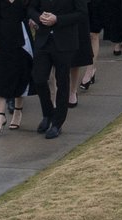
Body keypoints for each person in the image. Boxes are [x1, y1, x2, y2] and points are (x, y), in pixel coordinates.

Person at [27, 0, 88, 140]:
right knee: (39, 78)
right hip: (44, 39)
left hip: (65, 40)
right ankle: (48, 113)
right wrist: (38, 18)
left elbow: (82, 13)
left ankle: (57, 123)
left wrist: (57, 19)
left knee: (62, 82)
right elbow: (31, 8)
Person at [0, 0, 34, 131]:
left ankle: (18, 112)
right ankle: (0, 116)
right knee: (0, 76)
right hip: (2, 40)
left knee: (20, 75)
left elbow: (31, 11)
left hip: (21, 40)